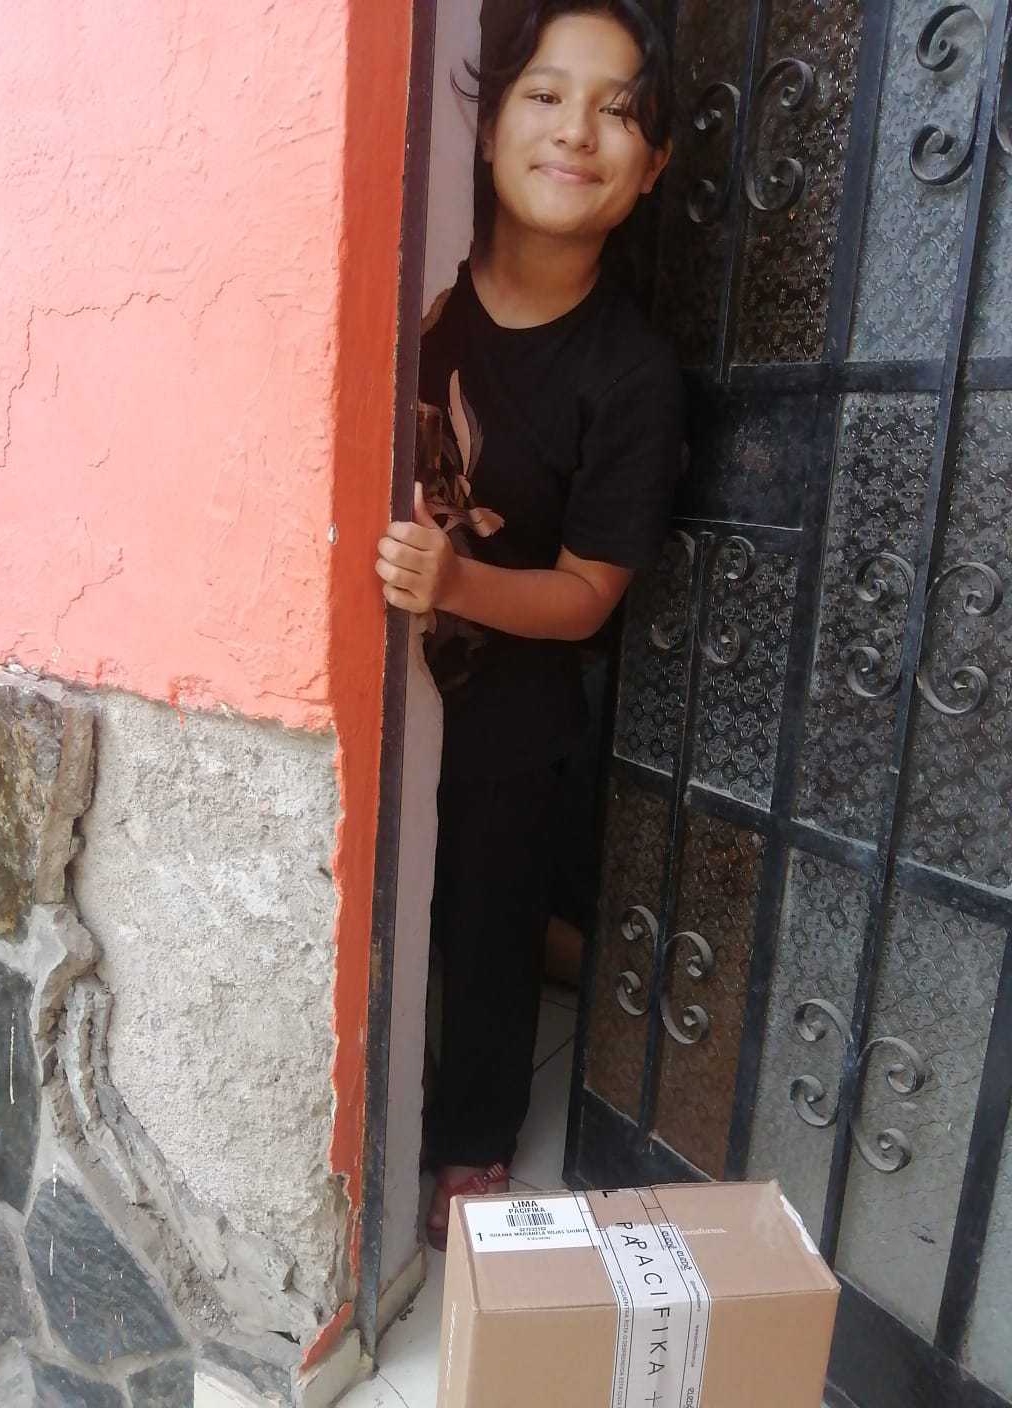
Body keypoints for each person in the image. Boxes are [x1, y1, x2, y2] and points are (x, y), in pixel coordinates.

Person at [374, 0, 684, 1251]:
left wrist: (454, 584)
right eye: (547, 95)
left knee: (485, 907)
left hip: (514, 686)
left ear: (652, 168)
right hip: (383, 662)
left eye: (619, 111)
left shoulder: (631, 374)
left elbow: (588, 591)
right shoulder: (416, 291)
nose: (577, 131)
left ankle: (470, 1134)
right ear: (491, 121)